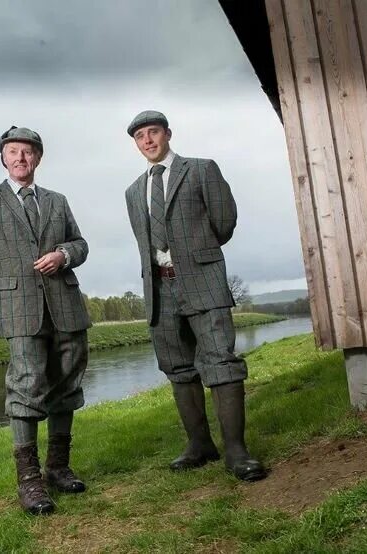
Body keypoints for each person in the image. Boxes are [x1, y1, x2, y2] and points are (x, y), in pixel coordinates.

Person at [0, 126, 92, 514]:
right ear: (3, 159)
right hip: (17, 310)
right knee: (26, 386)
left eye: (27, 152)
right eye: (13, 152)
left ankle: (58, 468)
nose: (20, 158)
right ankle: (29, 482)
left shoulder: (57, 201)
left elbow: (80, 243)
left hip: (66, 305)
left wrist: (63, 255)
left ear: (37, 158)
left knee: (67, 382)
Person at [123, 110, 266, 482]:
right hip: (159, 288)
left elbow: (225, 222)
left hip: (203, 279)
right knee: (177, 366)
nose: (148, 140)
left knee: (220, 360)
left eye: (153, 132)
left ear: (168, 134)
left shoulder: (202, 170)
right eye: (140, 136)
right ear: (136, 144)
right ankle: (200, 444)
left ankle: (236, 451)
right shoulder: (133, 191)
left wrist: (196, 255)